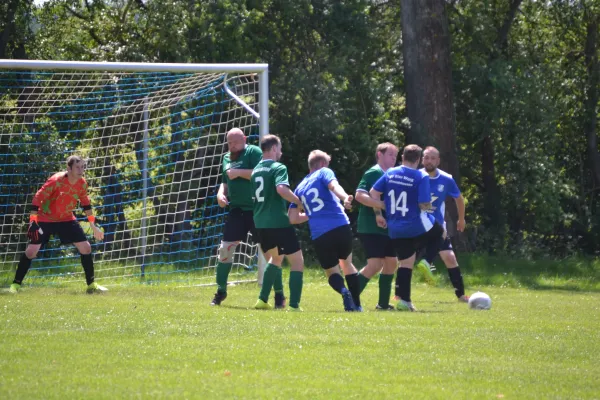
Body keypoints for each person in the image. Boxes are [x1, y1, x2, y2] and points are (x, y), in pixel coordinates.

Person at [9, 155, 106, 294]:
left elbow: (86, 204)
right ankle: (15, 285)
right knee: (31, 252)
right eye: (77, 167)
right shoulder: (56, 181)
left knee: (86, 248)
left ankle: (91, 285)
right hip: (45, 218)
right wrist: (33, 221)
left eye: (83, 167)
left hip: (66, 219)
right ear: (69, 168)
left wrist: (93, 225)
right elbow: (37, 198)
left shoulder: (82, 183)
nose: (81, 170)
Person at [369, 144, 444, 311]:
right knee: (440, 232)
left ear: (402, 157)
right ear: (418, 160)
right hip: (415, 224)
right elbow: (423, 205)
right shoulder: (421, 176)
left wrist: (380, 211)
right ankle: (427, 261)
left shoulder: (390, 173)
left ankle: (404, 301)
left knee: (406, 261)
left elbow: (373, 193)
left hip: (395, 227)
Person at [288, 150, 361, 312]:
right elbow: (334, 186)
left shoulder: (299, 188)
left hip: (320, 234)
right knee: (347, 264)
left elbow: (292, 218)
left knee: (332, 272)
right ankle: (357, 305)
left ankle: (344, 291)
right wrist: (344, 198)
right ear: (322, 164)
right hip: (341, 226)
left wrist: (312, 214)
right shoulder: (324, 172)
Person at [211, 128, 266, 306]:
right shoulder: (226, 158)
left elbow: (262, 174)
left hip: (257, 209)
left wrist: (240, 172)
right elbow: (224, 182)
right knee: (225, 249)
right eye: (229, 143)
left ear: (244, 138)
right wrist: (220, 195)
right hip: (237, 211)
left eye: (235, 142)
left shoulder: (253, 152)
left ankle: (278, 294)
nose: (232, 146)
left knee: (269, 251)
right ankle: (220, 291)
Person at [251, 134, 305, 311]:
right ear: (274, 148)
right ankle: (294, 305)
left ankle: (262, 300)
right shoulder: (278, 167)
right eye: (280, 148)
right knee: (297, 262)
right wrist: (298, 201)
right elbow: (281, 189)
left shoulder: (255, 170)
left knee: (275, 259)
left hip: (260, 223)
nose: (280, 152)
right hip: (278, 222)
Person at [416, 146, 469, 302]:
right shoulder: (415, 176)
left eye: (433, 158)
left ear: (438, 161)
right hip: (417, 225)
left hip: (437, 225)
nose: (429, 161)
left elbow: (459, 199)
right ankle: (400, 295)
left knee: (450, 258)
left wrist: (461, 219)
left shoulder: (446, 179)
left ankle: (461, 295)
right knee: (406, 259)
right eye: (426, 157)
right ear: (421, 160)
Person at [354, 143, 399, 310]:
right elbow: (359, 195)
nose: (394, 158)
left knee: (391, 262)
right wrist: (380, 207)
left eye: (396, 155)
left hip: (387, 227)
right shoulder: (374, 172)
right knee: (375, 264)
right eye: (390, 155)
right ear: (379, 154)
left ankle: (383, 304)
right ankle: (350, 296)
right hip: (370, 226)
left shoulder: (391, 174)